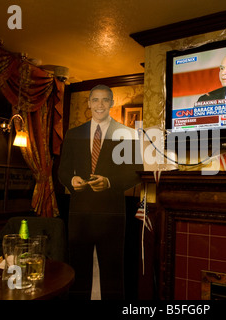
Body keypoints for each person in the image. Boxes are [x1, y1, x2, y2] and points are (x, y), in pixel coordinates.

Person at [58, 84, 143, 299]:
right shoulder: (73, 134)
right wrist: (71, 179)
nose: (100, 104)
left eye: (105, 100)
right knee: (78, 269)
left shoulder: (128, 134)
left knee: (113, 271)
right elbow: (63, 170)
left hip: (112, 214)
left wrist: (109, 182)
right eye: (95, 100)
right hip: (80, 213)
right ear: (88, 103)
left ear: (112, 103)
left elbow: (135, 173)